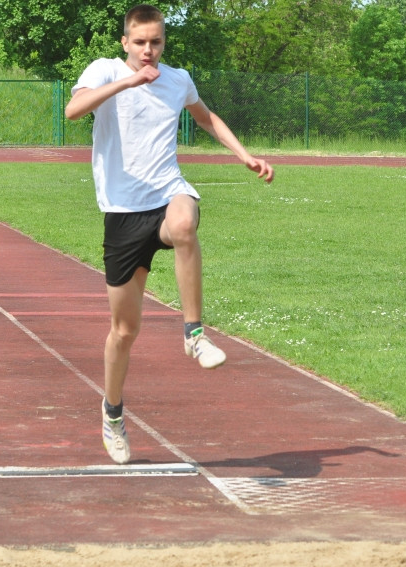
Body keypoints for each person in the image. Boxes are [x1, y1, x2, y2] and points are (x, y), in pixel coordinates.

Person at [65, 3, 274, 464]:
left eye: (156, 42)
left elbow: (206, 117)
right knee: (124, 330)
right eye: (139, 42)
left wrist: (245, 155)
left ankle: (194, 333)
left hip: (166, 192)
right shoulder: (103, 70)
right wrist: (127, 82)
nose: (148, 50)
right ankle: (113, 413)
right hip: (122, 212)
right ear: (125, 42)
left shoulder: (178, 80)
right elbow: (73, 110)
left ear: (164, 42)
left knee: (184, 223)